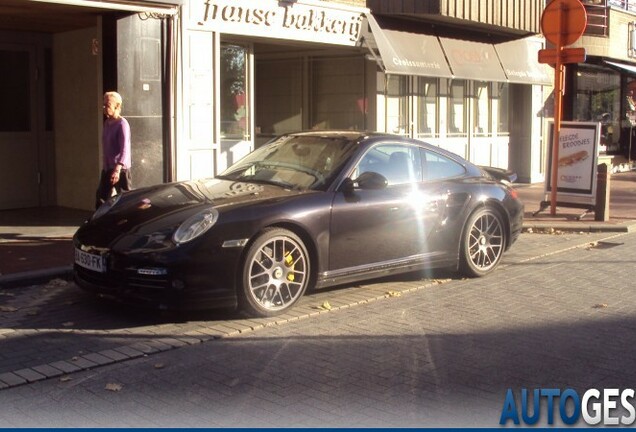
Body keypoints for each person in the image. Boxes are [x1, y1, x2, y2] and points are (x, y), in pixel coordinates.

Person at [95, 91, 132, 209]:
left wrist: (117, 169)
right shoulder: (107, 123)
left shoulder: (122, 124)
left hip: (120, 169)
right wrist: (105, 167)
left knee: (126, 198)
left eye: (108, 105)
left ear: (117, 106)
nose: (104, 107)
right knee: (101, 197)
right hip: (108, 168)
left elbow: (125, 149)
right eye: (104, 104)